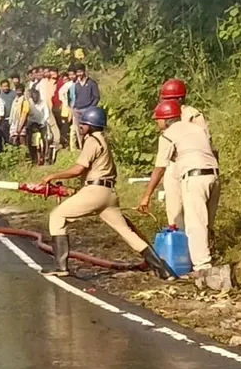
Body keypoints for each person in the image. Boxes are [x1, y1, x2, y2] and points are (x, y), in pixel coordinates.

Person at [38, 107, 175, 278]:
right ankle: (162, 269)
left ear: (91, 125)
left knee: (57, 216)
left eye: (84, 123)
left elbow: (78, 169)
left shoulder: (92, 141)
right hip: (108, 193)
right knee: (126, 233)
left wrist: (53, 175)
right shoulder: (103, 141)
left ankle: (60, 267)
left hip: (95, 191)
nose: (81, 126)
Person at [136, 100, 220, 277]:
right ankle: (206, 256)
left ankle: (202, 268)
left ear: (166, 119)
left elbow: (160, 168)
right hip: (213, 175)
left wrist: (146, 196)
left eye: (158, 119)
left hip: (194, 177)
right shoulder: (197, 129)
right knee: (206, 223)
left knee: (195, 223)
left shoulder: (168, 134)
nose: (156, 123)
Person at [152, 78, 213, 232]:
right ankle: (178, 236)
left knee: (196, 208)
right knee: (174, 205)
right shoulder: (170, 111)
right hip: (174, 164)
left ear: (180, 99)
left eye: (171, 99)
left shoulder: (192, 114)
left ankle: (199, 241)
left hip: (190, 161)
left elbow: (204, 140)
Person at [71, 64, 100, 149]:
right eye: (77, 72)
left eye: (80, 71)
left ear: (84, 71)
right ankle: (81, 147)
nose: (79, 74)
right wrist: (73, 108)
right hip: (77, 110)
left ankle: (91, 147)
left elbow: (97, 97)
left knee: (89, 129)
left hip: (88, 110)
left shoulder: (91, 83)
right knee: (79, 131)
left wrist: (91, 107)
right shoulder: (75, 85)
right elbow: (73, 97)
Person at [24, 87, 52, 165]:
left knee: (45, 140)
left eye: (36, 97)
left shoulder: (43, 103)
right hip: (32, 125)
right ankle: (34, 158)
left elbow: (47, 114)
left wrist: (43, 122)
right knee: (30, 141)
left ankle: (46, 157)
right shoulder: (29, 103)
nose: (35, 98)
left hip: (42, 124)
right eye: (34, 97)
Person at [58, 68, 78, 150]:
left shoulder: (77, 84)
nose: (71, 76)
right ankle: (70, 145)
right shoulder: (67, 85)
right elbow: (61, 94)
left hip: (77, 108)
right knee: (67, 127)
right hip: (68, 108)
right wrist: (66, 103)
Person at [10, 83, 29, 147]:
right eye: (17, 90)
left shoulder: (25, 101)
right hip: (14, 122)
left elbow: (24, 114)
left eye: (20, 90)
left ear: (23, 91)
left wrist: (20, 126)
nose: (18, 92)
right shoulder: (15, 100)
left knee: (22, 140)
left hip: (21, 123)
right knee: (14, 141)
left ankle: (24, 155)